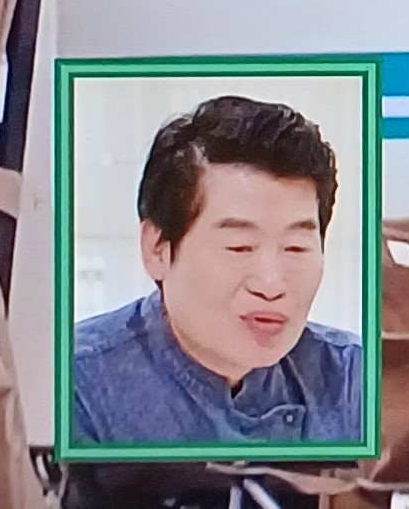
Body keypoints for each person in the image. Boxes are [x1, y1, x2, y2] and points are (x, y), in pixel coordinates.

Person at [70, 95, 363, 447]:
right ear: (157, 248)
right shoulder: (77, 385)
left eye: (296, 248)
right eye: (239, 247)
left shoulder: (355, 378)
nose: (271, 284)